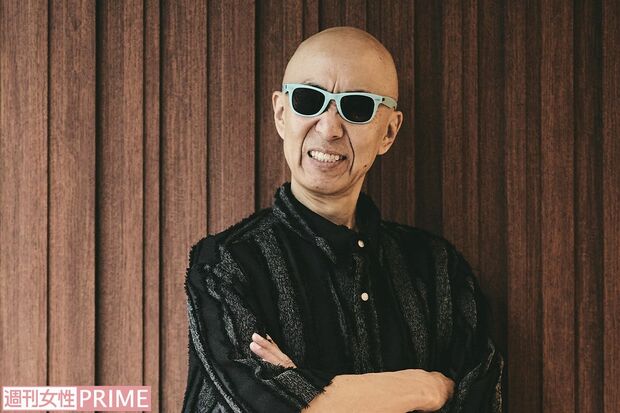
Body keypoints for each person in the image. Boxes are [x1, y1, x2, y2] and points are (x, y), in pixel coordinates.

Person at [182, 26, 504, 412]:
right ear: (282, 114)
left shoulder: (438, 270)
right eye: (308, 100)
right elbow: (258, 405)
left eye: (357, 107)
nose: (329, 128)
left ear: (389, 131)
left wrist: (308, 394)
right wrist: (426, 387)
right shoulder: (227, 264)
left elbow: (481, 399)